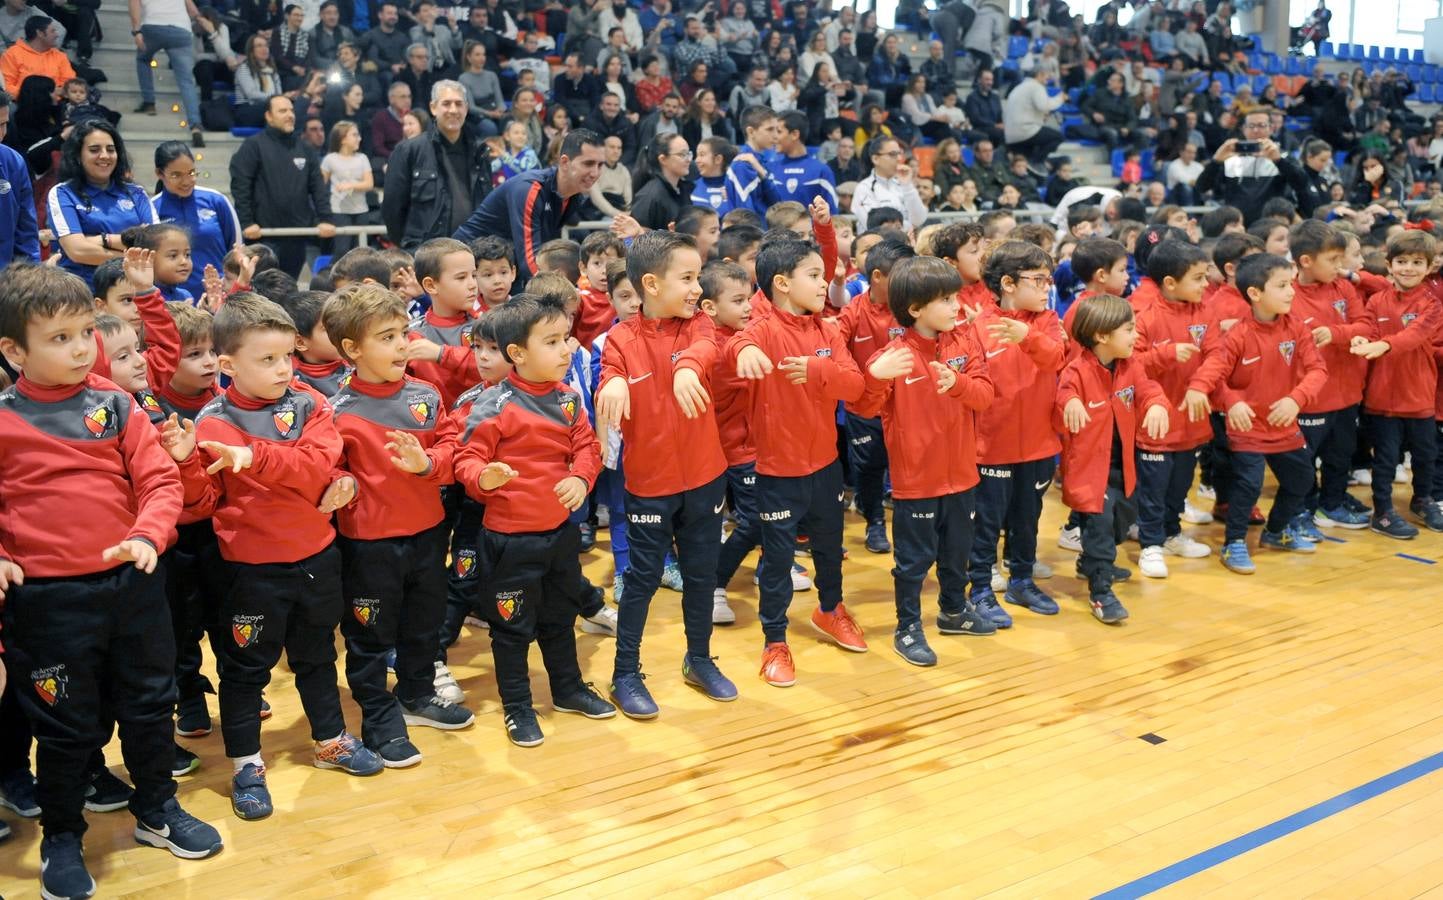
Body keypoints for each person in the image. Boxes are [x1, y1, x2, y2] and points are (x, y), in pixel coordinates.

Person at [0, 262, 224, 900]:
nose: (78, 350)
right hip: (48, 601)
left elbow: (158, 481)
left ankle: (157, 807)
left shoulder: (118, 404)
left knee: (150, 706)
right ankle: (62, 837)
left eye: (82, 335)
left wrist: (151, 533)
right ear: (13, 351)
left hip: (133, 584)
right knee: (67, 728)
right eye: (59, 338)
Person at [322, 282, 476, 768]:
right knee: (370, 637)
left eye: (403, 333)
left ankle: (417, 693)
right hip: (369, 545)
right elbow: (326, 469)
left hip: (428, 532)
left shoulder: (425, 394)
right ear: (351, 350)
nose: (402, 345)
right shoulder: (335, 410)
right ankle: (378, 716)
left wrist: (426, 465)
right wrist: (339, 482)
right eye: (386, 338)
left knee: (423, 624)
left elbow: (454, 451)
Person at [453, 296, 616, 746]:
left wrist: (582, 479)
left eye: (566, 339)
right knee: (512, 630)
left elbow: (587, 446)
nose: (566, 350)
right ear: (517, 354)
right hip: (509, 542)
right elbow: (465, 460)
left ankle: (566, 689)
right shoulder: (493, 404)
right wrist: (483, 477)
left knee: (560, 618)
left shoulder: (566, 399)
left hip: (559, 535)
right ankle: (518, 708)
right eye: (552, 342)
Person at [590, 231, 733, 716]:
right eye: (688, 278)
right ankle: (624, 673)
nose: (698, 288)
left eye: (699, 276)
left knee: (700, 573)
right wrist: (610, 386)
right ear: (651, 284)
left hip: (706, 477)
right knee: (642, 579)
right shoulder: (620, 338)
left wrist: (688, 369)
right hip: (649, 485)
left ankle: (699, 660)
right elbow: (608, 373)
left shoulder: (699, 326)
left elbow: (705, 350)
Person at [728, 238, 867, 686]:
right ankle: (774, 641)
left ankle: (830, 610)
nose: (824, 281)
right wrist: (744, 350)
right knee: (778, 560)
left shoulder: (828, 330)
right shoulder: (762, 328)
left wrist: (817, 370)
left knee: (829, 547)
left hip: (825, 463)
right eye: (813, 274)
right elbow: (738, 344)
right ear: (782, 283)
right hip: (775, 470)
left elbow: (855, 385)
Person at [851, 252, 996, 661]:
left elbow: (985, 396)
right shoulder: (893, 356)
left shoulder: (965, 342)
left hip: (963, 475)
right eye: (946, 300)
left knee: (957, 552)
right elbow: (863, 409)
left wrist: (958, 384)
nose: (957, 307)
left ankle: (953, 610)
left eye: (956, 297)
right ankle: (908, 626)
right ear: (914, 309)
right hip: (916, 480)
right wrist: (874, 377)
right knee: (913, 560)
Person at [1184, 253, 1328, 573]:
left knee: (1302, 478)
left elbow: (1318, 370)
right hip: (1246, 425)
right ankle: (1234, 542)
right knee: (1248, 485)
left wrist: (1296, 399)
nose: (1291, 291)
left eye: (1291, 284)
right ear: (1255, 293)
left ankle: (1276, 532)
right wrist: (1228, 399)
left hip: (1284, 422)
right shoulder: (1236, 334)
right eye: (1282, 285)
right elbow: (1215, 372)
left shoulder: (1297, 328)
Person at [967, 240, 1067, 628]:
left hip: (1039, 443)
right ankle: (978, 588)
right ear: (1008, 283)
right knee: (987, 522)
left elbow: (1057, 358)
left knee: (1029, 517)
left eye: (1049, 280)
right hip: (992, 446)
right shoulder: (977, 327)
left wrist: (1027, 335)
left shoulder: (1048, 322)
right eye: (1038, 280)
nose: (1047, 287)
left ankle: (1021, 580)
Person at [1057, 293, 1169, 624]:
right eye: (1129, 329)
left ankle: (1089, 563)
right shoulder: (1075, 371)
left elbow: (1149, 390)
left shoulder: (1130, 367)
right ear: (1102, 336)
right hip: (1090, 471)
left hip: (1122, 468)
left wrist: (1158, 404)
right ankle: (1101, 590)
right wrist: (1071, 404)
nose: (1136, 336)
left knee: (1121, 522)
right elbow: (1064, 395)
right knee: (1101, 527)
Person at [1129, 239, 1217, 579]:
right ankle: (1150, 544)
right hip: (1156, 421)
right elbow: (1130, 362)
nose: (1205, 284)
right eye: (1197, 278)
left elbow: (1217, 354)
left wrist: (1199, 386)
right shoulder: (1144, 317)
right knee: (1154, 487)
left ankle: (1171, 533)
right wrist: (1163, 355)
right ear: (1170, 282)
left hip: (1191, 420)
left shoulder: (1205, 311)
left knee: (1181, 483)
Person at [1349, 230, 1443, 538]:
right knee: (1386, 459)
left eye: (1417, 262)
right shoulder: (1376, 301)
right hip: (1382, 398)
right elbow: (1367, 329)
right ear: (1389, 265)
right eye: (1401, 261)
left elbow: (1415, 335)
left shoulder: (1433, 304)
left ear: (1430, 267)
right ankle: (1383, 512)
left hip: (1420, 397)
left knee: (1425, 455)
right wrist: (1363, 337)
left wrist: (1384, 346)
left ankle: (1423, 499)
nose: (1408, 268)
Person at [453, 130, 605, 290]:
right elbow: (530, 259)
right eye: (588, 164)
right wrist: (562, 293)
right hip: (469, 265)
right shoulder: (531, 189)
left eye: (600, 165)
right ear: (565, 162)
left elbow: (545, 253)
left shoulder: (575, 195)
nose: (595, 173)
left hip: (504, 268)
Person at [835, 239, 911, 555]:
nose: (908, 281)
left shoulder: (913, 308)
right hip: (864, 410)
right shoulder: (852, 313)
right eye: (900, 275)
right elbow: (836, 352)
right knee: (869, 470)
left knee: (907, 468)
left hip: (907, 407)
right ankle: (874, 523)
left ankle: (912, 526)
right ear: (877, 276)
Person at [229, 95, 336, 277]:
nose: (290, 115)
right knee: (263, 290)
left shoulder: (305, 148)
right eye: (283, 111)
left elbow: (318, 187)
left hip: (297, 235)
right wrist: (247, 222)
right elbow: (241, 186)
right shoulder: (253, 146)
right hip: (263, 237)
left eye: (291, 111)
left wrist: (325, 218)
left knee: (288, 287)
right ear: (269, 116)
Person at [381, 80, 492, 250]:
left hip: (471, 253)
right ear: (433, 108)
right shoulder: (409, 150)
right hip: (426, 255)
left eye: (459, 104)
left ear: (466, 108)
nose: (453, 110)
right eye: (446, 104)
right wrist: (412, 247)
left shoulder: (480, 151)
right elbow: (392, 209)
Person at [47, 120, 159, 287]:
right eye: (94, 150)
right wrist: (127, 249)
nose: (105, 155)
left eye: (111, 149)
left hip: (134, 293)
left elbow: (154, 247)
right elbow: (77, 250)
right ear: (78, 155)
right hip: (83, 294)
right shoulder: (63, 193)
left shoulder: (137, 193)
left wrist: (99, 240)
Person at [149, 142, 239, 299]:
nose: (186, 181)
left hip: (220, 297)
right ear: (159, 173)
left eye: (191, 173)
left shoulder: (216, 201)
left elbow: (236, 251)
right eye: (176, 175)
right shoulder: (152, 209)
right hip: (174, 302)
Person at [1195, 108, 1310, 225]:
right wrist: (1215, 162)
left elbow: (1302, 184)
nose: (1255, 130)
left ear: (1271, 128)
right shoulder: (1229, 158)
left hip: (1272, 226)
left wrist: (1279, 161)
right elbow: (1202, 187)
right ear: (1244, 129)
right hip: (1237, 226)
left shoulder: (1283, 156)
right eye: (1251, 126)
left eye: (1261, 125)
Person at [405, 237, 482, 409]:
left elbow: (496, 368)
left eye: (474, 275)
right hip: (435, 429)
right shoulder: (412, 336)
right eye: (461, 277)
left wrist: (442, 354)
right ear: (431, 285)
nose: (472, 285)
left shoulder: (487, 325)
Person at [131, 0, 206, 147]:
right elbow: (193, 10)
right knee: (186, 81)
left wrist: (136, 31)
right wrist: (200, 20)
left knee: (143, 59)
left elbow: (134, 9)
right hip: (181, 31)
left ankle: (149, 102)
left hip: (153, 27)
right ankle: (196, 126)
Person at [851, 136, 926, 234]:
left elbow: (919, 220)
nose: (899, 158)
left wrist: (907, 186)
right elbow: (875, 226)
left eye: (900, 153)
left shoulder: (904, 185)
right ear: (875, 159)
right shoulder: (864, 188)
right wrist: (909, 225)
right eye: (893, 154)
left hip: (904, 245)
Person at [320, 120, 373, 257]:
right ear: (343, 138)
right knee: (341, 250)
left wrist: (351, 185)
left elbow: (369, 183)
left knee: (360, 251)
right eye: (355, 135)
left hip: (361, 210)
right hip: (339, 211)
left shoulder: (362, 158)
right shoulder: (330, 159)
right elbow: (320, 185)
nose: (359, 139)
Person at [0, 15, 72, 108]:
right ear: (40, 33)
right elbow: (6, 86)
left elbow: (69, 83)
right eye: (53, 31)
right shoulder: (12, 54)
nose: (57, 34)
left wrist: (51, 96)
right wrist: (36, 96)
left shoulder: (60, 56)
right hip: (22, 104)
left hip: (53, 104)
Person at [0, 91, 38, 264]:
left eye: (3, 124)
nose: (1, 134)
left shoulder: (13, 162)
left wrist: (29, 280)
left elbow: (26, 234)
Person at [1004, 63, 1065, 167]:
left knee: (1028, 155)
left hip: (1010, 135)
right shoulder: (1036, 86)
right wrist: (1060, 98)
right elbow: (1044, 106)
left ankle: (1032, 163)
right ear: (1040, 74)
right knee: (1058, 137)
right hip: (1025, 131)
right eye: (1047, 75)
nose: (1048, 78)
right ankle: (1037, 163)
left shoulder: (1019, 87)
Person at [630, 134, 694, 231]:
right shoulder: (650, 195)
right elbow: (632, 241)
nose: (689, 159)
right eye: (682, 155)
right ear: (663, 159)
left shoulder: (682, 189)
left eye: (689, 154)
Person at [232, 33, 282, 127]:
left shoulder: (272, 70)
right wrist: (274, 98)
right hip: (246, 110)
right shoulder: (244, 68)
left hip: (267, 106)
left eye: (266, 45)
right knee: (272, 108)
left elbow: (279, 93)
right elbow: (251, 94)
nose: (264, 49)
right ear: (251, 51)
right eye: (259, 46)